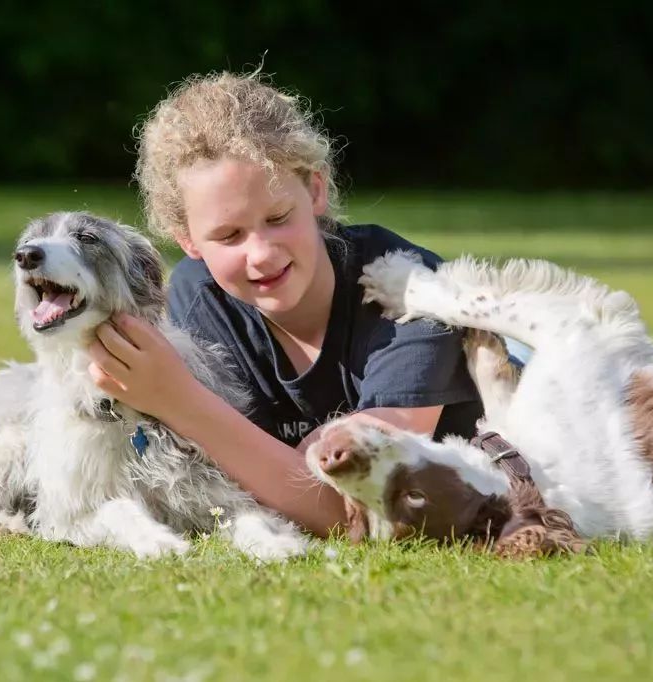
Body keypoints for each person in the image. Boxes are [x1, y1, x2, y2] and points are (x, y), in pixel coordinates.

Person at [87, 72, 483, 536]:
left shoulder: (410, 293)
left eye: (278, 218)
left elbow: (357, 512)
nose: (262, 253)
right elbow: (229, 481)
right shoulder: (200, 296)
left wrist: (178, 399)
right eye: (229, 235)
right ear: (188, 240)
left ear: (315, 190)